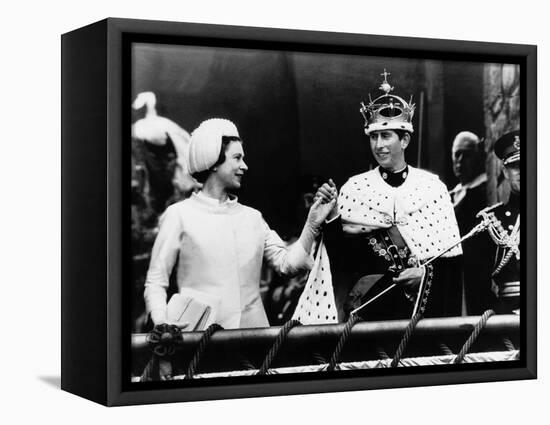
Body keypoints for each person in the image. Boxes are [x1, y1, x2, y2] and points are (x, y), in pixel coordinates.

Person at [143, 118, 336, 329]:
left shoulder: (252, 217)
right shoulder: (179, 215)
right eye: (237, 158)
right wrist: (162, 322)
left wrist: (312, 224)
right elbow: (156, 281)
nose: (244, 166)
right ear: (214, 161)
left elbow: (287, 265)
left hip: (252, 341)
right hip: (198, 341)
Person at [312, 70, 463, 321]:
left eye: (385, 136)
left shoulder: (432, 188)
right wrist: (333, 215)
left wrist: (424, 275)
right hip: (372, 312)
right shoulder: (355, 188)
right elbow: (342, 262)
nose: (378, 145)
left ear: (404, 140)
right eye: (373, 137)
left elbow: (452, 263)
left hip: (422, 315)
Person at [448, 131, 495, 315]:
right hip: (455, 273)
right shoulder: (452, 194)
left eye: (466, 155)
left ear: (478, 157)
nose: (460, 160)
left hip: (478, 272)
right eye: (456, 154)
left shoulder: (484, 190)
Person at [482, 130, 520, 314]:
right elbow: (477, 287)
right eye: (516, 166)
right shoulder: (491, 221)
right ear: (505, 171)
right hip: (507, 318)